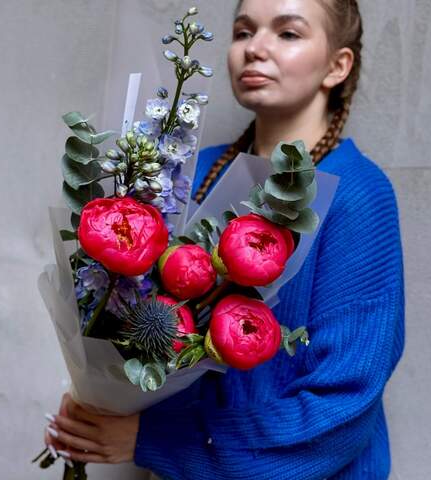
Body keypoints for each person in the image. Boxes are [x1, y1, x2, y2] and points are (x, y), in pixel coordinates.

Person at [44, 0, 405, 478]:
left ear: (337, 66)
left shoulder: (359, 194)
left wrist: (152, 439)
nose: (255, 48)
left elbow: (341, 407)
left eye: (287, 33)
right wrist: (96, 404)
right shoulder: (187, 174)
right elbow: (143, 326)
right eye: (242, 32)